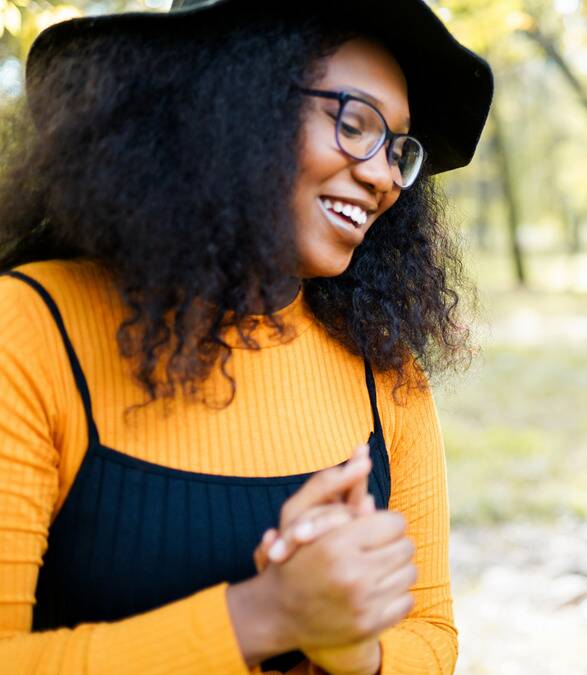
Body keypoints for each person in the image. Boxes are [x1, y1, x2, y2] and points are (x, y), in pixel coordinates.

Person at [0, 1, 492, 673]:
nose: (382, 177)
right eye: (352, 123)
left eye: (398, 148)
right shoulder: (31, 329)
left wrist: (353, 650)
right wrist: (267, 613)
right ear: (230, 106)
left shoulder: (384, 371)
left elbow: (432, 635)